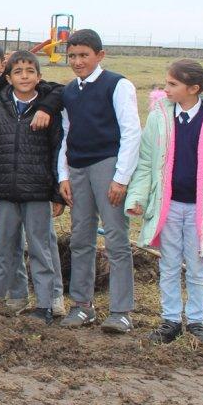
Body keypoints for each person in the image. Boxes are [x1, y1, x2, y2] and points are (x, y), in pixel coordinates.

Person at [128, 60, 203, 347]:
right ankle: (170, 320)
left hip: (201, 210)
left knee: (196, 266)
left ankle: (196, 321)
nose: (164, 89)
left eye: (172, 84)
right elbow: (145, 163)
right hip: (168, 207)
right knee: (168, 265)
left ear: (193, 89)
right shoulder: (158, 119)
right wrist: (138, 197)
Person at [0, 39, 66, 315]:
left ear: (39, 76)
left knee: (40, 248)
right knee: (4, 248)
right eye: (18, 72)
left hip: (37, 191)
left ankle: (47, 303)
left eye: (30, 71)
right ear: (8, 77)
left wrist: (57, 193)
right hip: (5, 190)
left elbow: (57, 151)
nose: (24, 76)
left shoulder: (48, 110)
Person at [57, 29, 141, 333]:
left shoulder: (117, 85)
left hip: (107, 167)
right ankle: (82, 305)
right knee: (81, 238)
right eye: (73, 56)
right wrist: (63, 174)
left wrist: (121, 178)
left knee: (117, 239)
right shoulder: (69, 91)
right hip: (77, 168)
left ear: (99, 56)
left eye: (84, 55)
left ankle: (121, 310)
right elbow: (66, 134)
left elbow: (131, 132)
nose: (78, 61)